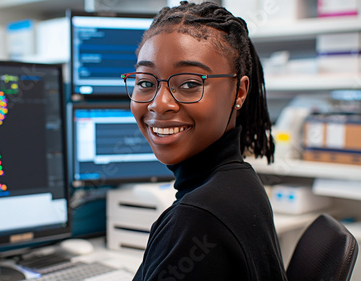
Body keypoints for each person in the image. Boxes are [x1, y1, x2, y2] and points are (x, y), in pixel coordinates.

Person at [121, 1, 287, 280]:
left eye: (189, 84)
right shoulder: (238, 183)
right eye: (146, 82)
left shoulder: (199, 218)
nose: (159, 104)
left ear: (239, 92)